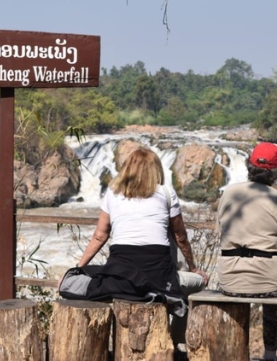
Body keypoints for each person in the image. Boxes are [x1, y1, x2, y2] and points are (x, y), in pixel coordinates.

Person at [59, 147, 208, 357]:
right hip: (159, 281)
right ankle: (178, 346)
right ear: (156, 169)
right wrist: (194, 268)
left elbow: (100, 237)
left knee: (96, 274)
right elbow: (180, 237)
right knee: (199, 283)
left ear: (127, 169)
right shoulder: (166, 192)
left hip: (120, 280)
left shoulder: (112, 193)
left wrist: (77, 269)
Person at [217, 142, 277, 361]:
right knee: (276, 290)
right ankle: (271, 354)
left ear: (249, 166)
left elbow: (221, 234)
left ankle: (232, 353)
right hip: (272, 283)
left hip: (230, 281)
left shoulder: (228, 193)